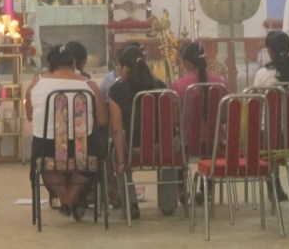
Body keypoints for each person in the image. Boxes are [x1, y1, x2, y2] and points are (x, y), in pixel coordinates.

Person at [25, 44, 108, 219]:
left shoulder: (35, 84)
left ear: (49, 64)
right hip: (83, 154)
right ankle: (72, 199)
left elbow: (31, 117)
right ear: (74, 63)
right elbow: (102, 120)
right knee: (86, 156)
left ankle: (66, 200)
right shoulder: (90, 86)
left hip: (47, 153)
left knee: (48, 166)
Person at [108, 45, 168, 219]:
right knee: (174, 144)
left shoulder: (117, 90)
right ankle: (168, 202)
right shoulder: (161, 86)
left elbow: (117, 129)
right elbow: (173, 122)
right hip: (163, 148)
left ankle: (131, 203)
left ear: (125, 68)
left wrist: (120, 162)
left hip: (134, 148)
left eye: (119, 66)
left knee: (115, 151)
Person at [253, 30, 289, 202]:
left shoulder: (263, 75)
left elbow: (256, 105)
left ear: (269, 51)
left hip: (273, 139)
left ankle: (274, 183)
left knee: (263, 130)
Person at [170, 41, 227, 204]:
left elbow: (174, 121)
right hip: (215, 144)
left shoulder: (178, 85)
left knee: (175, 139)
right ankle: (207, 189)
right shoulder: (221, 83)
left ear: (186, 63)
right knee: (210, 147)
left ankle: (181, 190)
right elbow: (224, 118)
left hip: (187, 144)